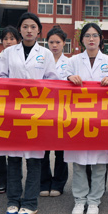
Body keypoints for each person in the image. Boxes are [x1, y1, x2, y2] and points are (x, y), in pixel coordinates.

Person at [0, 12, 59, 214]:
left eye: (33, 27)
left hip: (37, 113)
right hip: (13, 112)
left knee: (34, 160)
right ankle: (13, 201)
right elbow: (1, 76)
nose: (29, 30)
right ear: (20, 30)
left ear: (39, 31)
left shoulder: (45, 54)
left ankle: (30, 202)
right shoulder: (9, 52)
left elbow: (52, 80)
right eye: (25, 27)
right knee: (13, 159)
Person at [63, 23, 108, 214]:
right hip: (78, 117)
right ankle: (80, 200)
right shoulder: (73, 61)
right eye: (87, 36)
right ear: (82, 40)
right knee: (79, 163)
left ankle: (94, 200)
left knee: (99, 163)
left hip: (101, 118)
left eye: (95, 35)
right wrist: (69, 77)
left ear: (101, 39)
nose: (91, 39)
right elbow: (60, 79)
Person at [0, 26, 21, 195]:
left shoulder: (21, 60)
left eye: (12, 39)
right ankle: (0, 179)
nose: (8, 42)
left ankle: (15, 179)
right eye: (5, 39)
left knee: (16, 146)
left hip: (17, 107)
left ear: (18, 41)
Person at [40, 26, 70, 198]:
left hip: (63, 109)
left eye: (58, 42)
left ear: (64, 43)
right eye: (51, 42)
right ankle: (44, 182)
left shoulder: (69, 63)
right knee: (43, 149)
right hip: (44, 109)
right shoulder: (41, 60)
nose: (54, 45)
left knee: (61, 150)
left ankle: (58, 183)